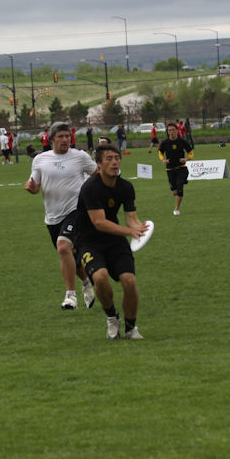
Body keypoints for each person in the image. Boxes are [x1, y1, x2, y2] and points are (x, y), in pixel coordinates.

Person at [24, 122, 99, 311]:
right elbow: (35, 186)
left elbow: (97, 175)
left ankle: (70, 296)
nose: (65, 140)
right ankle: (86, 283)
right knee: (71, 257)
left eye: (68, 136)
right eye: (61, 136)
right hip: (52, 216)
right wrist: (31, 188)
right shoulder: (40, 160)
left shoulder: (80, 156)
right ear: (51, 139)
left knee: (63, 247)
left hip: (76, 211)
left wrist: (92, 196)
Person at [76, 143, 147, 340]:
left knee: (129, 281)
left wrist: (141, 228)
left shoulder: (126, 187)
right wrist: (129, 231)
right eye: (109, 159)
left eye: (117, 158)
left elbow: (131, 218)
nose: (115, 162)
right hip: (89, 242)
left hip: (115, 241)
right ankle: (112, 318)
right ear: (98, 164)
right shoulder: (90, 188)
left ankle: (131, 328)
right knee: (100, 277)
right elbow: (99, 223)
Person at [158, 121, 191, 216]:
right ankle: (183, 181)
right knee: (174, 192)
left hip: (181, 168)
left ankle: (176, 209)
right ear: (167, 132)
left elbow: (191, 153)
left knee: (180, 188)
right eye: (169, 130)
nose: (171, 132)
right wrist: (163, 160)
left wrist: (186, 159)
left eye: (173, 130)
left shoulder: (182, 141)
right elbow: (160, 153)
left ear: (177, 131)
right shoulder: (165, 142)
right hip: (170, 170)